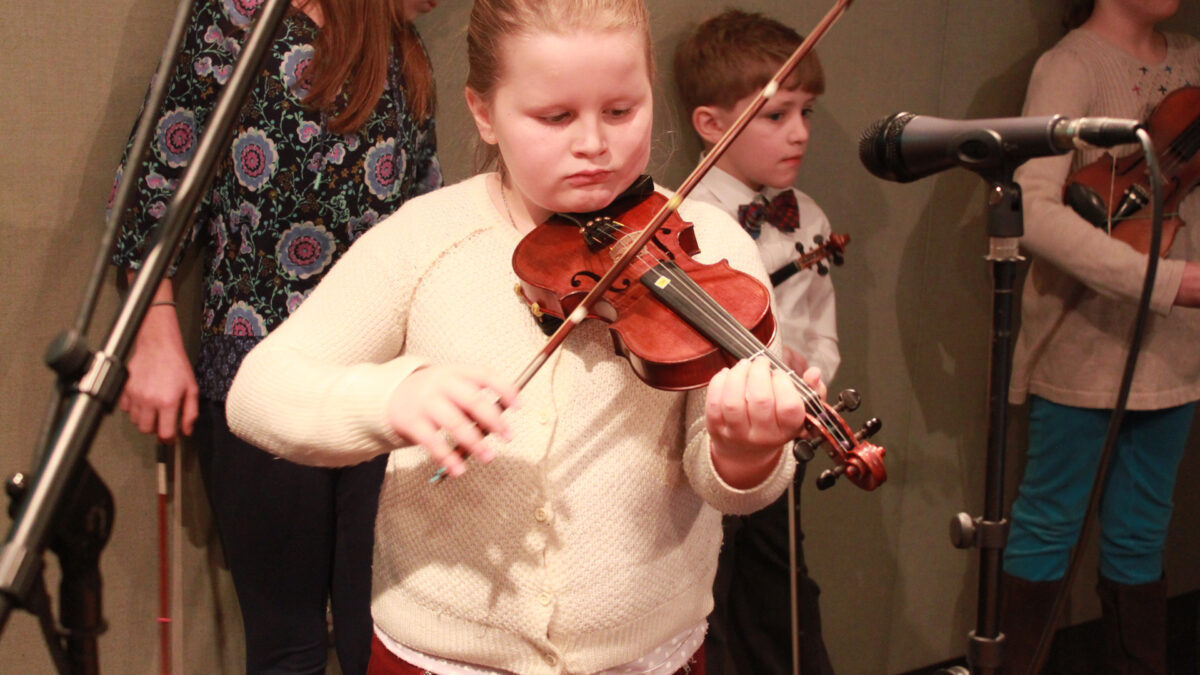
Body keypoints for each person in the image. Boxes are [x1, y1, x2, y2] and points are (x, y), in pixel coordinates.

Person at [225, 0, 826, 673]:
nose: (594, 143)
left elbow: (725, 480)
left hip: (646, 659)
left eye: (623, 110)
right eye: (555, 117)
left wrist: (743, 451)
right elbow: (258, 390)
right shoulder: (426, 238)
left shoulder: (711, 248)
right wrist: (393, 397)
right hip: (436, 658)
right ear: (484, 112)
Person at [109, 0, 442, 671]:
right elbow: (149, 189)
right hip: (256, 370)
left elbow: (424, 221)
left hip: (381, 381)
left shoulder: (402, 43)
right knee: (287, 644)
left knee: (379, 635)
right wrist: (154, 331)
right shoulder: (234, 20)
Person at [1001, 0, 1200, 672]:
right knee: (1050, 522)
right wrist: (1169, 281)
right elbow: (1032, 212)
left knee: (1143, 533)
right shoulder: (1071, 66)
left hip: (1175, 352)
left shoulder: (1194, 58)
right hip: (1083, 342)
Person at [673, 10, 837, 675]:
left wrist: (811, 375)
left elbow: (821, 329)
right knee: (704, 612)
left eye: (807, 112)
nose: (798, 132)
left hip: (780, 446)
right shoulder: (684, 223)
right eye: (777, 115)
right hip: (706, 450)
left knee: (781, 609)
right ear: (711, 124)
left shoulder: (811, 219)